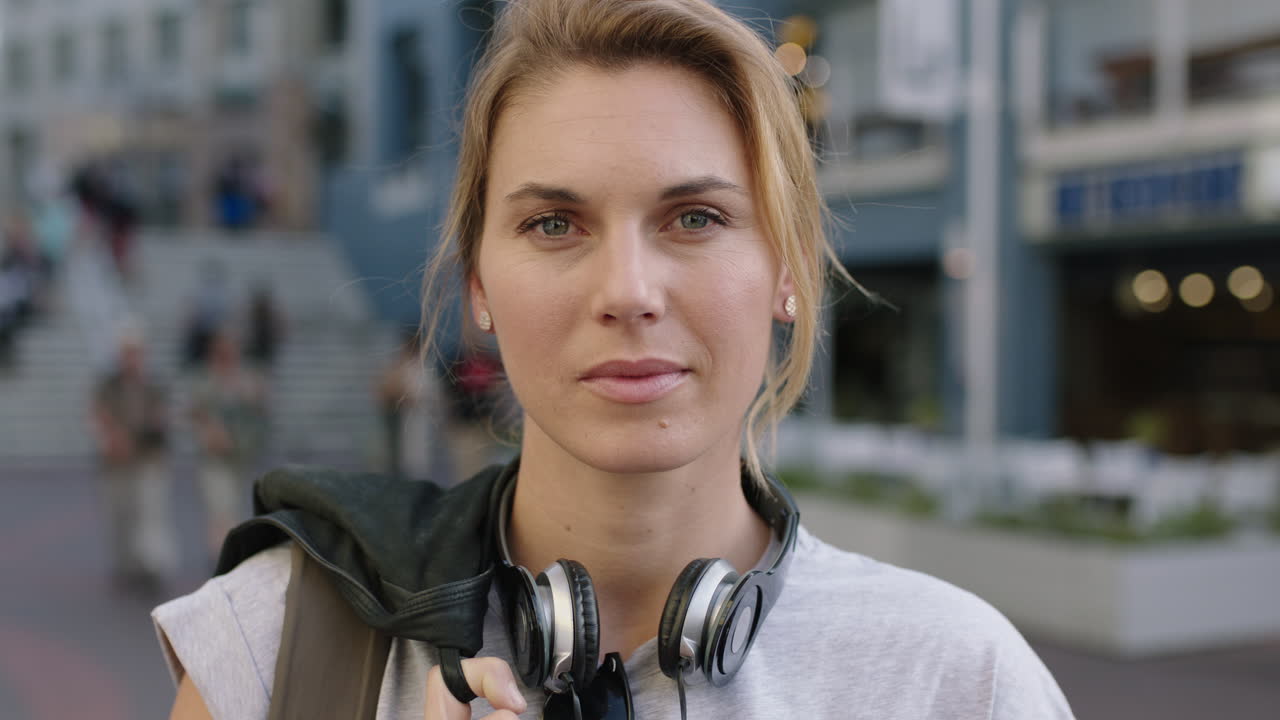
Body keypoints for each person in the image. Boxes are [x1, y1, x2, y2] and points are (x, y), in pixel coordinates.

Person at [155, 1, 1076, 718]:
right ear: (479, 284)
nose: (627, 290)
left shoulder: (958, 679)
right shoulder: (279, 637)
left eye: (696, 219)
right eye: (555, 224)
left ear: (788, 270)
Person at [91, 327, 178, 594]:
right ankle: (126, 565)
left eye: (136, 353)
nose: (132, 359)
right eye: (127, 353)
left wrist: (143, 434)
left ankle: (152, 565)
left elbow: (162, 420)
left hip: (147, 460)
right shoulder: (109, 386)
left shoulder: (153, 386)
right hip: (116, 462)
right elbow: (98, 415)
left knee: (150, 514)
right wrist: (113, 438)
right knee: (120, 515)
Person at [189, 327, 269, 560]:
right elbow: (196, 411)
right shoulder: (204, 377)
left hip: (244, 453)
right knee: (220, 507)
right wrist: (209, 431)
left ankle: (235, 554)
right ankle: (223, 556)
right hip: (214, 455)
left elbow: (262, 407)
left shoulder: (249, 376)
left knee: (240, 507)